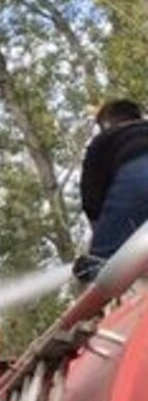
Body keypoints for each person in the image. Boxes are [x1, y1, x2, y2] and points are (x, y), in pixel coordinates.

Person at [74, 99, 148, 283]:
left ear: (106, 124)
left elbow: (92, 200)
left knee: (100, 260)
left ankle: (97, 265)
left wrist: (100, 242)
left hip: (137, 179)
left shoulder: (103, 140)